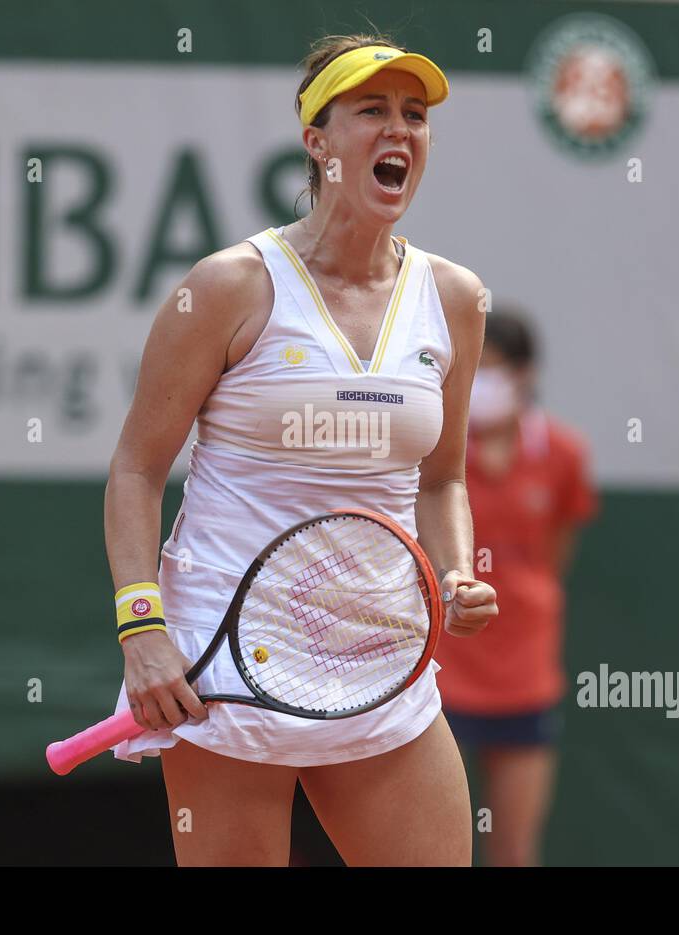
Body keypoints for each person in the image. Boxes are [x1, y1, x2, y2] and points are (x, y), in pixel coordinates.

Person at [102, 33, 498, 866]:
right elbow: (137, 471)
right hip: (224, 656)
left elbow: (443, 476)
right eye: (371, 112)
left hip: (383, 656)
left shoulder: (455, 299)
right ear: (317, 142)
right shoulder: (225, 288)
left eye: (415, 116)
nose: (400, 131)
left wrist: (457, 569)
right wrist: (142, 627)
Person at [434, 310, 598, 867]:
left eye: (497, 369)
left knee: (514, 850)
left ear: (526, 374)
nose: (484, 383)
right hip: (441, 676)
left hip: (526, 676)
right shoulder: (436, 451)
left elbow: (555, 555)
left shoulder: (565, 454)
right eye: (476, 368)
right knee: (432, 847)